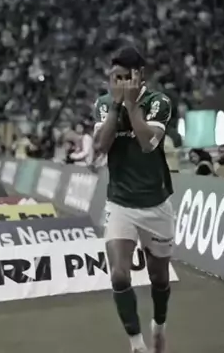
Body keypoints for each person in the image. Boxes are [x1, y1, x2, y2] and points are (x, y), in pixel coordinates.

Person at [93, 46, 174, 353]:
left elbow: (148, 143)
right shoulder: (104, 104)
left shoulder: (159, 102)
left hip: (156, 203)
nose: (118, 83)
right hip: (120, 203)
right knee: (118, 275)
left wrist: (131, 105)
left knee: (159, 277)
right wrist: (116, 107)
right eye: (114, 77)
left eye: (124, 77)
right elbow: (101, 146)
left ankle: (159, 325)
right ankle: (137, 344)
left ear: (139, 76)